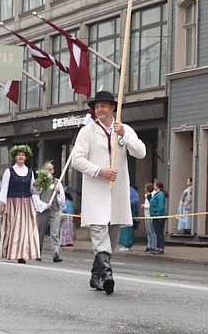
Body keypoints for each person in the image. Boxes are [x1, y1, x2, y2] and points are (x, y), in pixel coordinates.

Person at [71, 90, 146, 294]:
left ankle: (96, 276)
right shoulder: (87, 132)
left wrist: (125, 136)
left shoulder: (124, 129)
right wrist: (99, 171)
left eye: (104, 106)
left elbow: (141, 152)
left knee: (111, 239)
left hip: (117, 194)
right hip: (96, 192)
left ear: (113, 107)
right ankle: (107, 274)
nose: (100, 109)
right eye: (97, 107)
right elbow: (76, 159)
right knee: (99, 234)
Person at [0, 144, 40, 264]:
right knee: (14, 228)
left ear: (26, 157)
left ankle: (22, 253)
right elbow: (4, 188)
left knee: (26, 229)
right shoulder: (9, 171)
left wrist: (40, 186)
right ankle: (12, 252)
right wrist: (2, 203)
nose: (21, 157)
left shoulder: (30, 172)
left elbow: (33, 190)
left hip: (26, 203)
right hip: (13, 202)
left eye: (23, 155)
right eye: (18, 155)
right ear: (15, 157)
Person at [33, 160, 66, 263]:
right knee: (40, 231)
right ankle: (38, 252)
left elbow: (62, 199)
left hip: (55, 210)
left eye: (51, 169)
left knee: (55, 232)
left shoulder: (57, 182)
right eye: (48, 169)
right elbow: (35, 195)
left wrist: (58, 192)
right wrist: (43, 205)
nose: (50, 171)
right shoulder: (40, 182)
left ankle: (56, 253)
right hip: (44, 210)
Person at [117, 186, 139, 252]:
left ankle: (126, 244)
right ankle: (127, 244)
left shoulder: (128, 198)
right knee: (128, 231)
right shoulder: (134, 198)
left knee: (125, 231)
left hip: (126, 216)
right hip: (129, 217)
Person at [149, 182, 168, 255]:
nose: (153, 186)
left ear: (157, 186)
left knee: (159, 232)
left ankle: (160, 248)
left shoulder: (160, 194)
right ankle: (157, 247)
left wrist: (159, 215)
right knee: (157, 232)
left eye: (154, 185)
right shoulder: (157, 194)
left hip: (158, 216)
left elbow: (160, 205)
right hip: (155, 215)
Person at [141, 183, 157, 253]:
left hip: (150, 215)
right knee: (148, 231)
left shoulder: (153, 195)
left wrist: (144, 206)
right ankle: (149, 245)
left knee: (152, 231)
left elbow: (152, 205)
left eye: (145, 187)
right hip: (146, 215)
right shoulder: (147, 195)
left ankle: (153, 246)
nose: (144, 189)